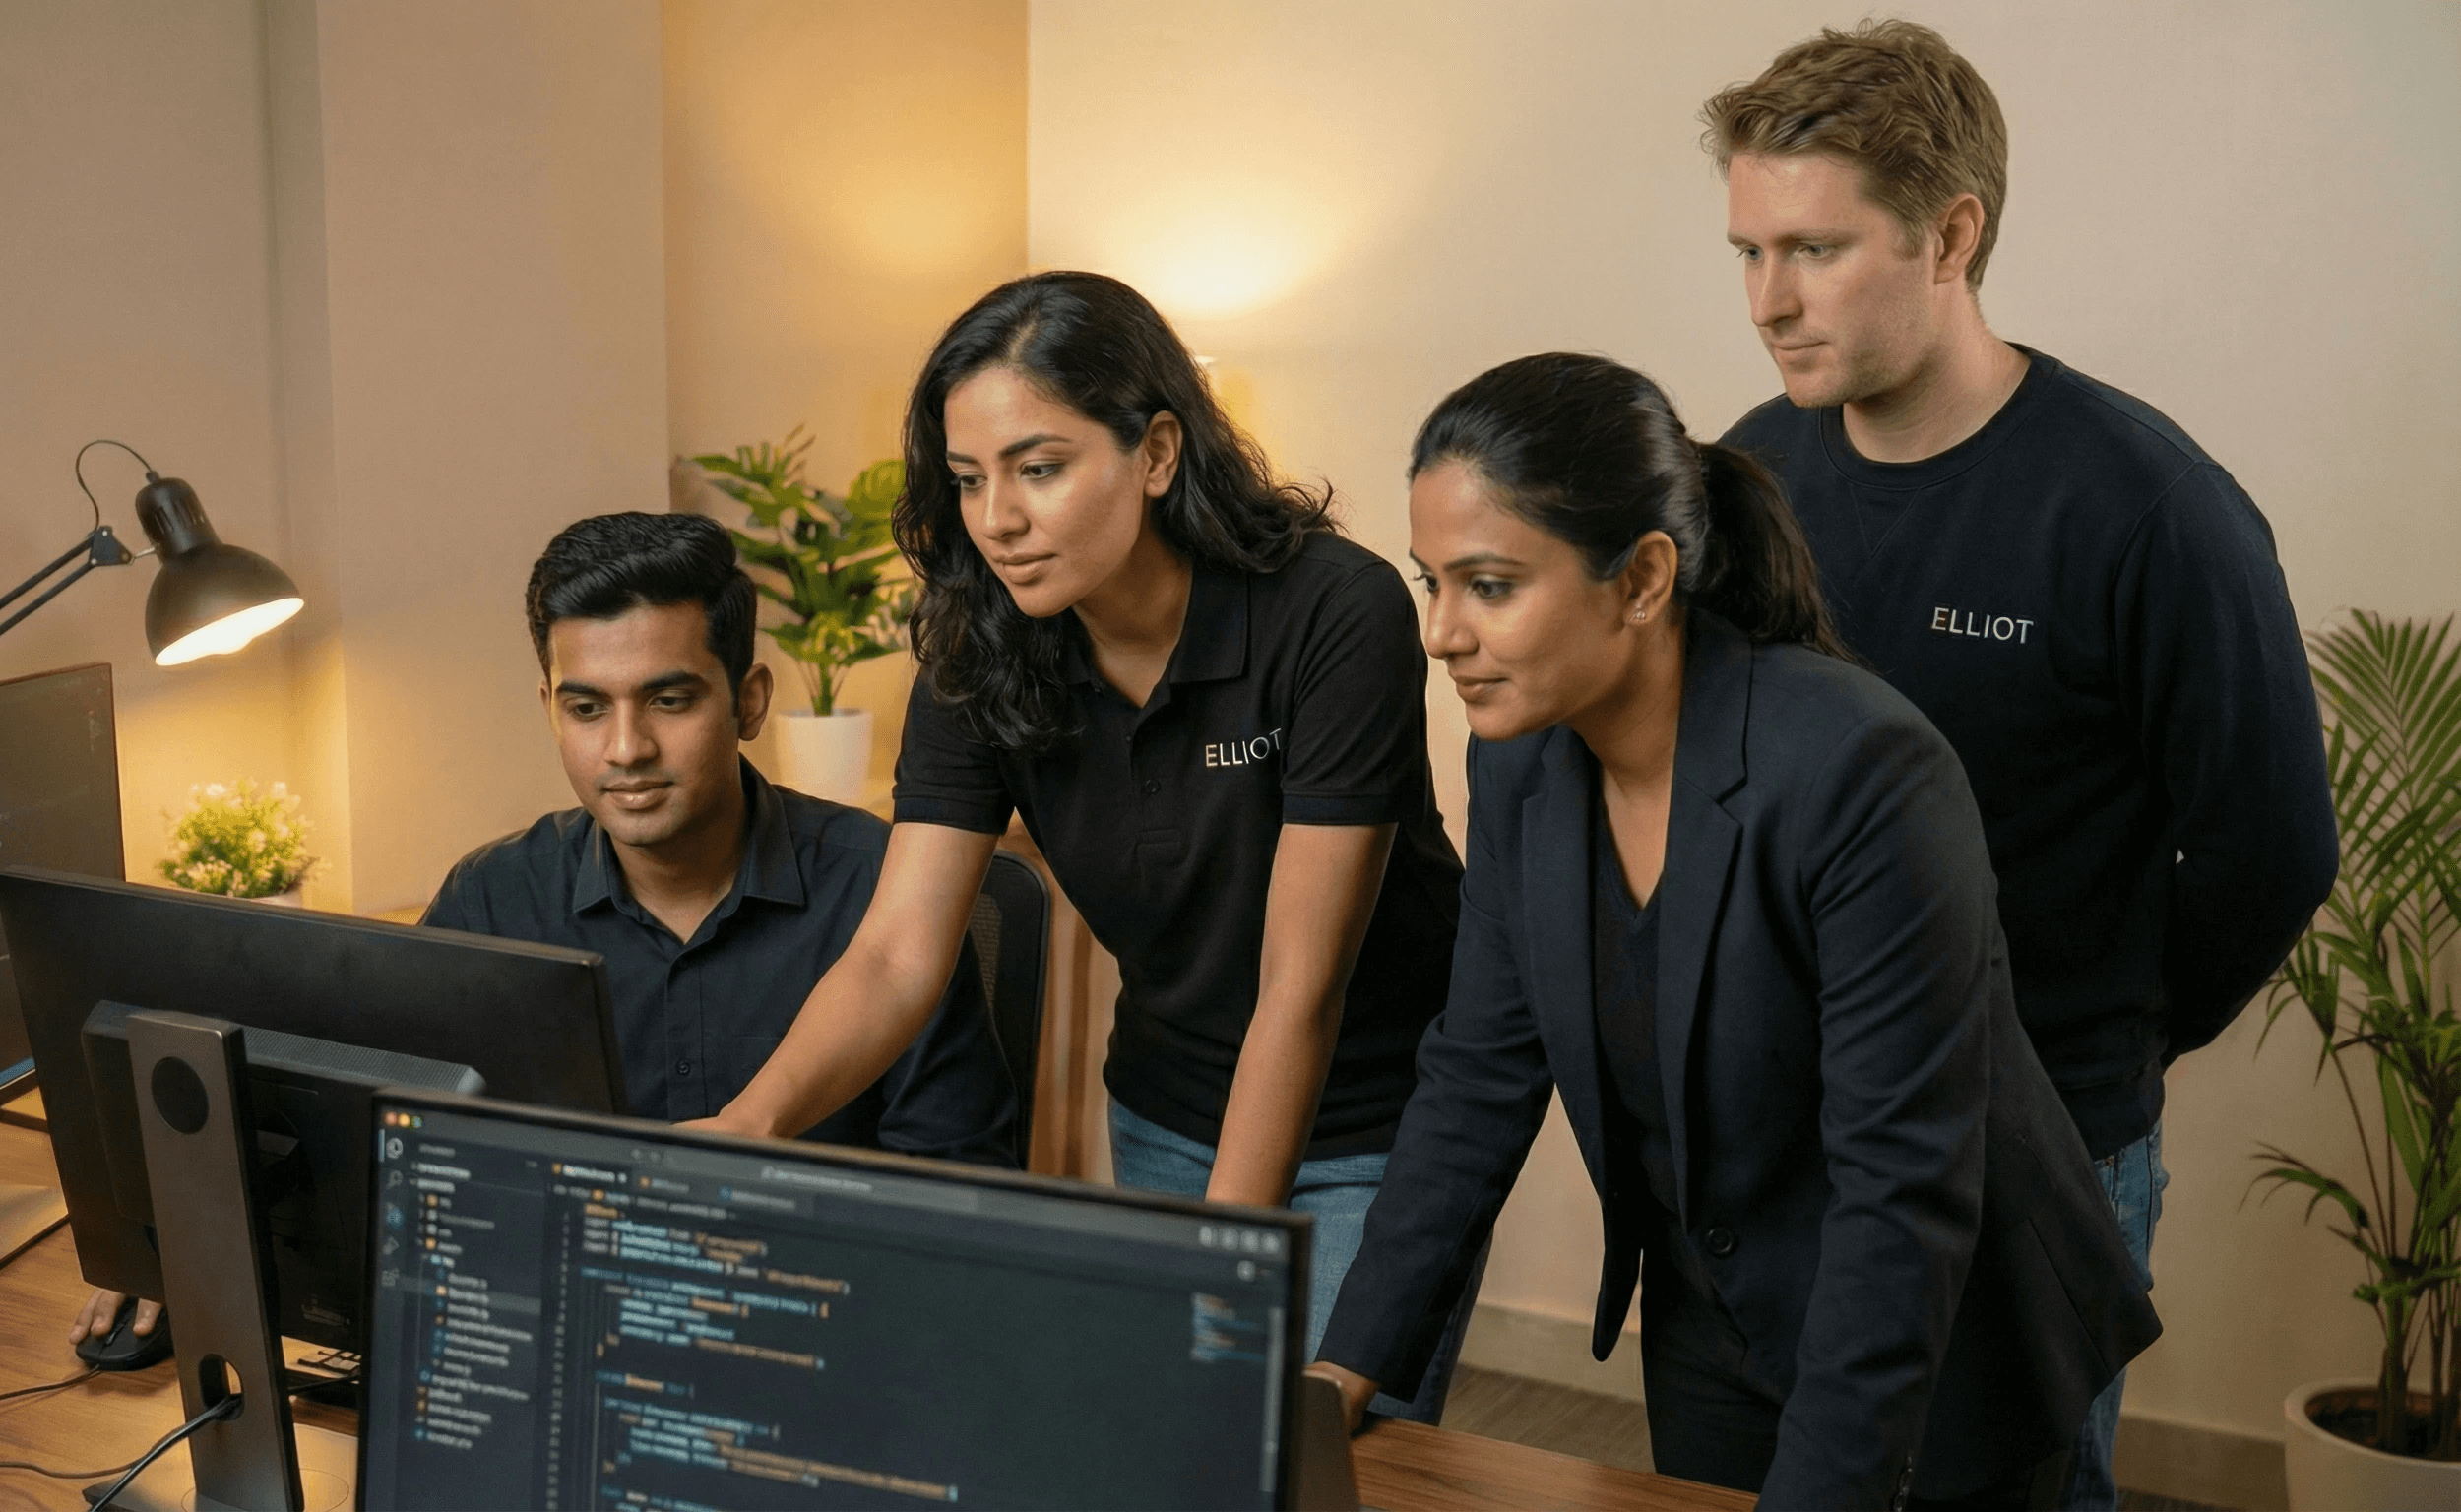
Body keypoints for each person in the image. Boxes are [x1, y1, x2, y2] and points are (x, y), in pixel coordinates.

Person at [1308, 353, 2161, 1509]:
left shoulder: (1860, 768)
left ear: (1643, 578)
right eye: (1430, 583)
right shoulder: (1516, 760)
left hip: (1939, 1338)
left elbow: (1898, 1192)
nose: (1440, 633)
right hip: (1714, 1324)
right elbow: (1472, 1081)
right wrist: (1336, 1373)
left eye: (1490, 586)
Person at [1702, 22, 2336, 1505]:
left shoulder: (2145, 506)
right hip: (1800, 1141)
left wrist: (2097, 1038)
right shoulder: (1745, 480)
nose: (1766, 300)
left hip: (2039, 1145)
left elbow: (2270, 852)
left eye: (1812, 249)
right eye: (1746, 251)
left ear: (1951, 233)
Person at [695, 271, 1472, 1419]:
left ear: (1156, 453)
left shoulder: (1331, 610)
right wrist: (749, 1125)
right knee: (1170, 1449)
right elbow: (897, 956)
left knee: (1306, 1453)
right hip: (1162, 1106)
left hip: (1373, 1123)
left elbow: (1295, 993)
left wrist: (1221, 1267)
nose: (997, 519)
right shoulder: (976, 644)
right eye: (968, 480)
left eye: (1039, 468)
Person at [67, 511, 1017, 1356]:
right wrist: (185, 1240)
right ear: (548, 708)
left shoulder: (884, 898)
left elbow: (963, 1208)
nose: (626, 749)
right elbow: (368, 1149)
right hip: (560, 1344)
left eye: (671, 699)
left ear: (751, 701)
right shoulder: (493, 900)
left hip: (812, 1347)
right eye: (586, 706)